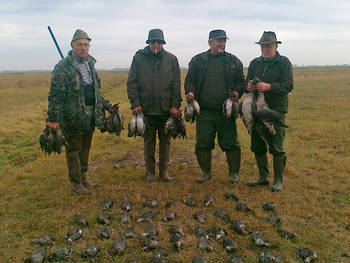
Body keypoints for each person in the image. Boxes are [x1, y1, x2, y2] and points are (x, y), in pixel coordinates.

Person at [46, 29, 113, 195]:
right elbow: (56, 95)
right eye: (80, 44)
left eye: (86, 45)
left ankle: (83, 179)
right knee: (73, 149)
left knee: (85, 149)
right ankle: (76, 183)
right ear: (72, 45)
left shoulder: (90, 65)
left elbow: (95, 92)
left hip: (90, 116)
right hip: (72, 117)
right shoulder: (63, 68)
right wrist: (53, 118)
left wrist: (108, 106)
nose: (84, 48)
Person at [184, 29, 245, 183]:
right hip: (204, 111)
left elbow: (240, 81)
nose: (222, 44)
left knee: (231, 143)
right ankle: (205, 172)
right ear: (210, 42)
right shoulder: (198, 60)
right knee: (203, 144)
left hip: (226, 111)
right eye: (218, 40)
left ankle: (233, 173)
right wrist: (190, 92)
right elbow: (190, 80)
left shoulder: (233, 61)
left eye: (224, 41)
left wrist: (238, 92)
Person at [127, 29, 182, 182]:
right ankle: (150, 172)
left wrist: (175, 105)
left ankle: (163, 172)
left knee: (165, 143)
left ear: (163, 43)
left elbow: (176, 85)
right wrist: (135, 103)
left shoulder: (171, 59)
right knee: (148, 142)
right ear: (148, 43)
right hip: (146, 109)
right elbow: (132, 82)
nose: (156, 44)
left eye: (159, 41)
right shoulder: (138, 59)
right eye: (153, 42)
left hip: (166, 110)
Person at [245, 31, 293, 192]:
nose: (265, 49)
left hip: (276, 111)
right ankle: (263, 177)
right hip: (257, 111)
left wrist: (269, 87)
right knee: (257, 145)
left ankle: (278, 180)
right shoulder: (255, 63)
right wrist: (250, 86)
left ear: (276, 46)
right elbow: (248, 81)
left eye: (268, 46)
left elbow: (288, 85)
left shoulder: (284, 63)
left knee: (276, 146)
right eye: (262, 46)